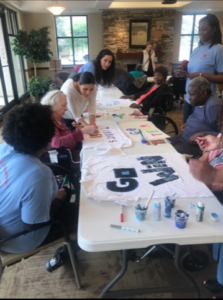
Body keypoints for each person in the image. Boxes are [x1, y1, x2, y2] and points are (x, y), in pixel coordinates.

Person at [0, 103, 79, 271]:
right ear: (46, 139)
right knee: (83, 215)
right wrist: (58, 199)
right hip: (19, 237)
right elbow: (34, 224)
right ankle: (66, 253)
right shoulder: (38, 173)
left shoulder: (4, 149)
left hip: (4, 226)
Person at [184, 14, 223, 123]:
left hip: (204, 102)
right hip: (189, 99)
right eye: (199, 29)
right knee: (187, 132)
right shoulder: (196, 49)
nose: (200, 32)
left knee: (199, 136)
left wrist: (201, 75)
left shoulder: (218, 50)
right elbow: (192, 72)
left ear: (214, 29)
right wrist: (183, 74)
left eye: (204, 29)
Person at [168, 77, 222, 156]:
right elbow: (199, 118)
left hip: (195, 146)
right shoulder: (200, 101)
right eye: (188, 94)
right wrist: (188, 124)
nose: (189, 98)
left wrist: (202, 133)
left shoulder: (213, 106)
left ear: (203, 93)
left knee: (167, 153)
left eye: (192, 94)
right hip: (183, 138)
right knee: (160, 143)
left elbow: (220, 136)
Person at [41, 90, 98, 162]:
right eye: (63, 105)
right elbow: (56, 143)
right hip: (65, 158)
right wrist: (83, 131)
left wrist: (77, 131)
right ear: (52, 106)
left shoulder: (58, 118)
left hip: (72, 151)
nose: (66, 109)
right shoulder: (49, 121)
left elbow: (66, 136)